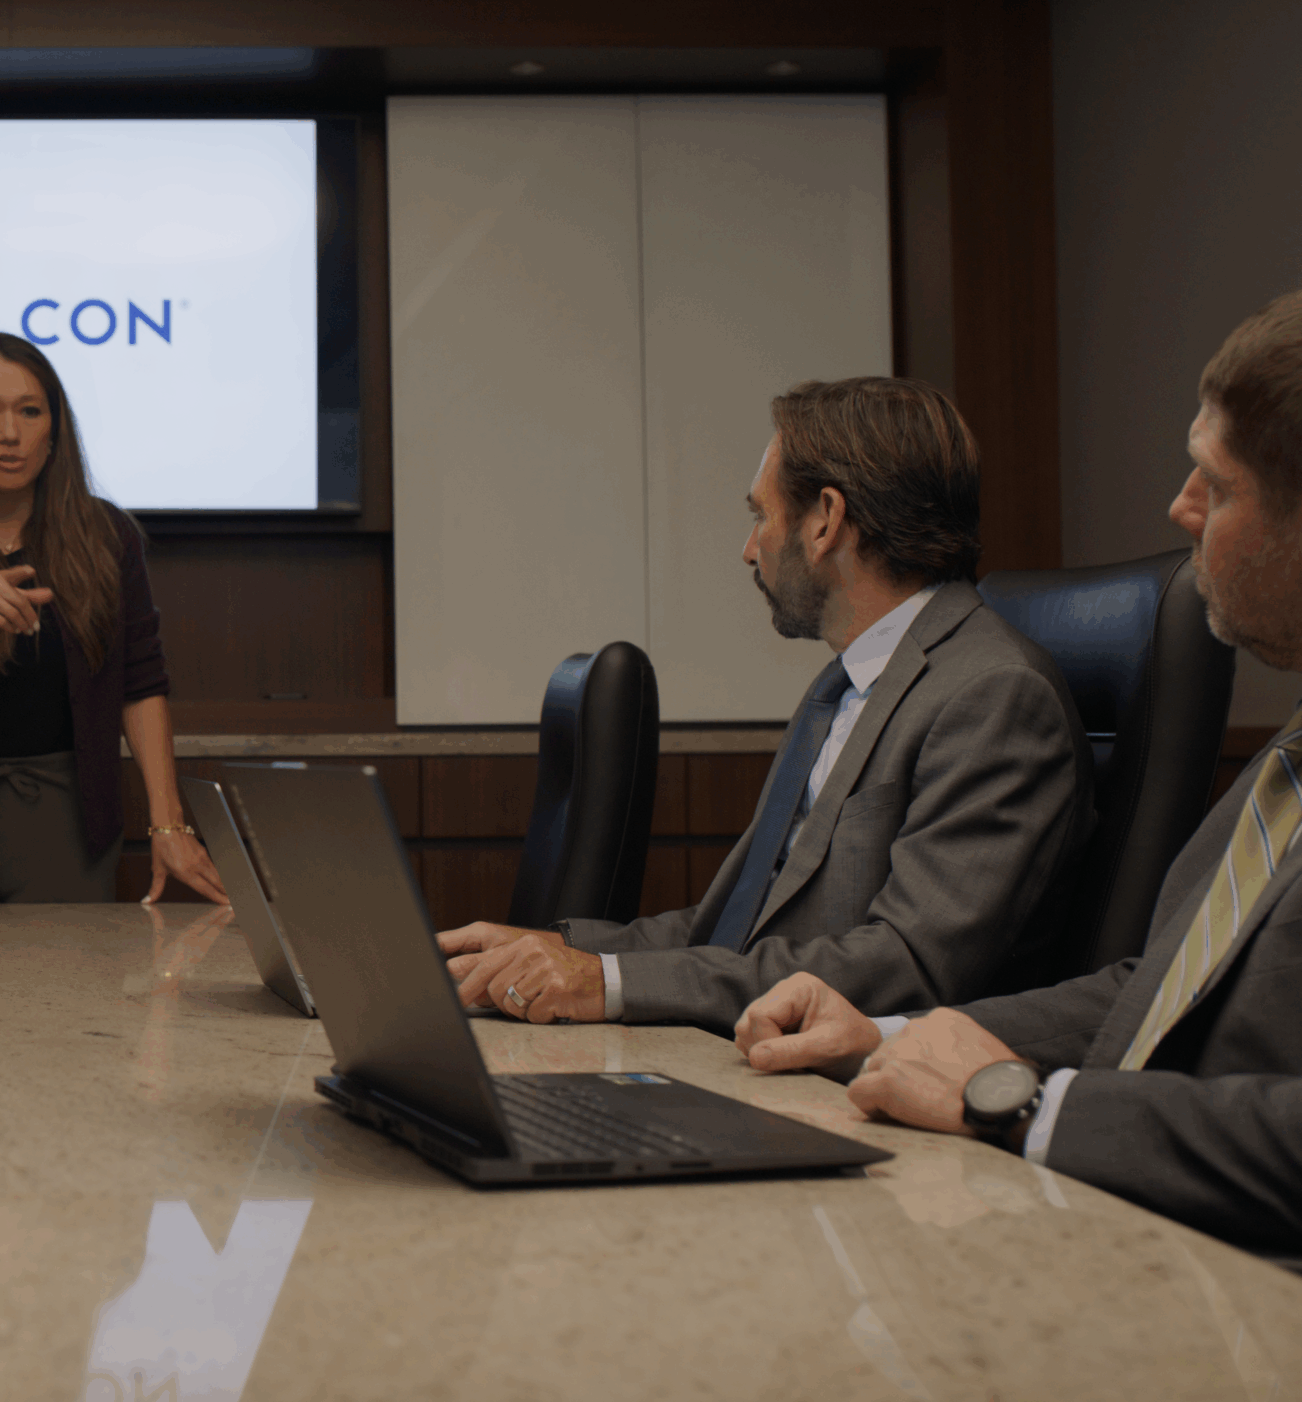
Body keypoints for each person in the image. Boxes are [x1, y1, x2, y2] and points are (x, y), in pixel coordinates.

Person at [736, 292, 1302, 1271]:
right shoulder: (1289, 757)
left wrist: (1019, 1101)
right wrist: (896, 1033)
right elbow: (1161, 992)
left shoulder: (991, 691)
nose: (1180, 508)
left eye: (1217, 481)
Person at [439, 376, 1095, 1032]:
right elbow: (727, 931)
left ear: (825, 522)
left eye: (761, 515)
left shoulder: (994, 695)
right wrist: (560, 949)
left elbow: (905, 965)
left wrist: (608, 982)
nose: (749, 549)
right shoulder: (842, 688)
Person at [0, 334, 226, 905]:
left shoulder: (108, 536)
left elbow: (142, 685)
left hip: (69, 821)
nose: (10, 434)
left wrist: (169, 825)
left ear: (55, 432)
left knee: (71, 994)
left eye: (30, 411)